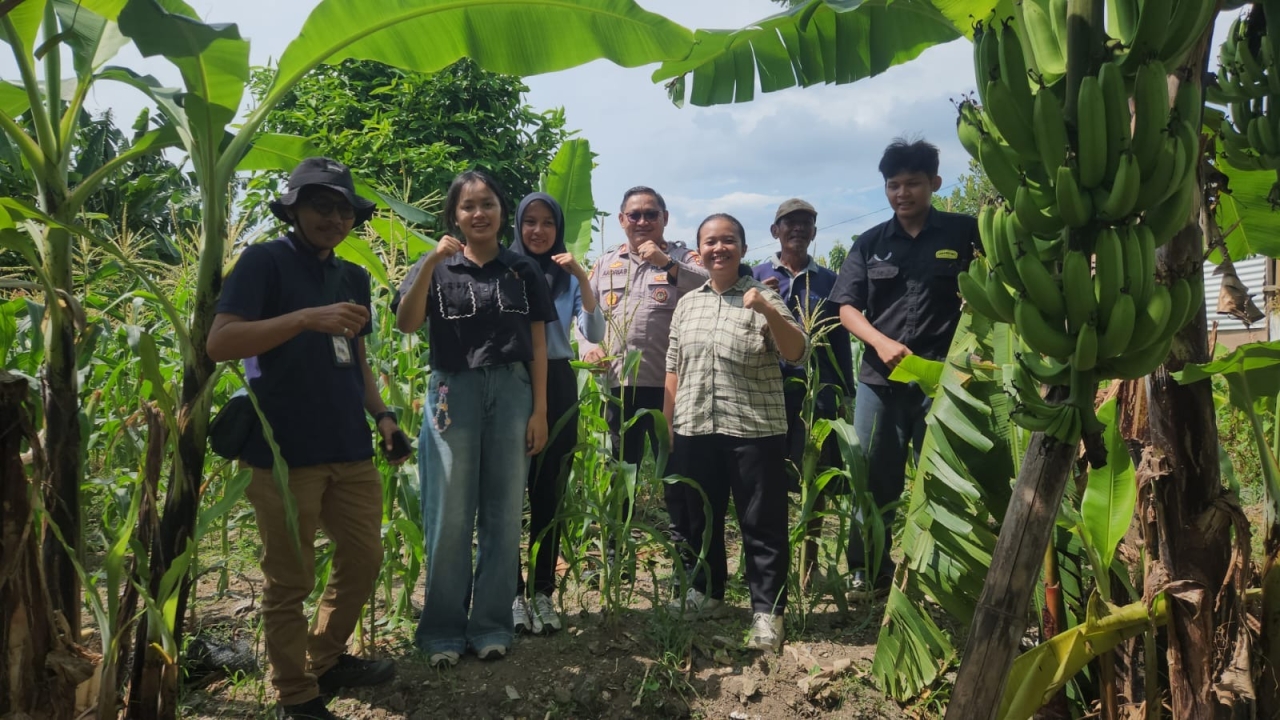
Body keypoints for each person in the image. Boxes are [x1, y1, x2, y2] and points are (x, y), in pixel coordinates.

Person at [206, 157, 402, 720]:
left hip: (349, 445)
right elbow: (221, 343)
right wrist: (303, 319)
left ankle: (325, 656)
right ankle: (295, 692)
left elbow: (356, 359)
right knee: (289, 580)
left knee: (364, 559)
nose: (334, 218)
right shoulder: (263, 262)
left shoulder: (352, 277)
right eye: (321, 205)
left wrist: (383, 415)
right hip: (283, 452)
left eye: (343, 209)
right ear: (293, 209)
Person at [393, 171, 556, 668]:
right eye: (468, 206)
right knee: (450, 514)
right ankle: (441, 630)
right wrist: (429, 264)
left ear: (501, 211)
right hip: (452, 392)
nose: (479, 213)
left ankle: (490, 625)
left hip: (512, 391)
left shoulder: (521, 270)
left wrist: (540, 410)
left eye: (487, 204)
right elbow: (407, 322)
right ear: (454, 216)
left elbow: (538, 344)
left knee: (505, 512)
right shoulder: (436, 266)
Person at [830, 139, 979, 599]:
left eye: (912, 183)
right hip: (881, 380)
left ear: (934, 183)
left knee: (948, 477)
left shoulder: (965, 233)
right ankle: (867, 571)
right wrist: (880, 341)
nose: (902, 193)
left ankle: (945, 573)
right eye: (893, 185)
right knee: (873, 476)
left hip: (947, 379)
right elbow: (847, 307)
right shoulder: (871, 243)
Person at [663, 213, 808, 654]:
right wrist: (670, 425)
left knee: (761, 522)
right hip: (695, 426)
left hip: (753, 428)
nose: (718, 248)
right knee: (698, 518)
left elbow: (797, 352)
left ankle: (767, 611)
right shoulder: (688, 303)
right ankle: (707, 593)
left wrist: (766, 309)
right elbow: (673, 367)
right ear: (699, 250)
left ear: (744, 249)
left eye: (728, 241)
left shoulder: (763, 296)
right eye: (710, 242)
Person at [580, 186, 708, 561]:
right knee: (620, 471)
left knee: (676, 472)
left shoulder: (684, 257)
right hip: (619, 387)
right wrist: (588, 346)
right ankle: (612, 552)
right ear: (621, 221)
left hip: (671, 388)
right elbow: (582, 311)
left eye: (651, 214)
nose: (642, 221)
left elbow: (713, 284)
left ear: (664, 219)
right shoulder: (606, 263)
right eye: (634, 215)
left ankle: (686, 555)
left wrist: (668, 264)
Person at [507, 192, 605, 634]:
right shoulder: (503, 269)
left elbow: (594, 331)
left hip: (561, 381)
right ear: (518, 225)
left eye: (548, 222)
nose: (539, 231)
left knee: (549, 492)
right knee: (506, 493)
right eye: (530, 221)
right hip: (510, 379)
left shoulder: (565, 279)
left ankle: (542, 591)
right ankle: (511, 592)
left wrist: (583, 277)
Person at [753, 199, 855, 590]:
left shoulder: (830, 282)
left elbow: (841, 341)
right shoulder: (756, 275)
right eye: (789, 223)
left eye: (806, 224)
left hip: (818, 396)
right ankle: (772, 565)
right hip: (767, 392)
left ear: (814, 232)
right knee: (770, 481)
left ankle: (808, 566)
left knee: (814, 481)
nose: (798, 229)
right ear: (775, 230)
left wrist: (845, 393)